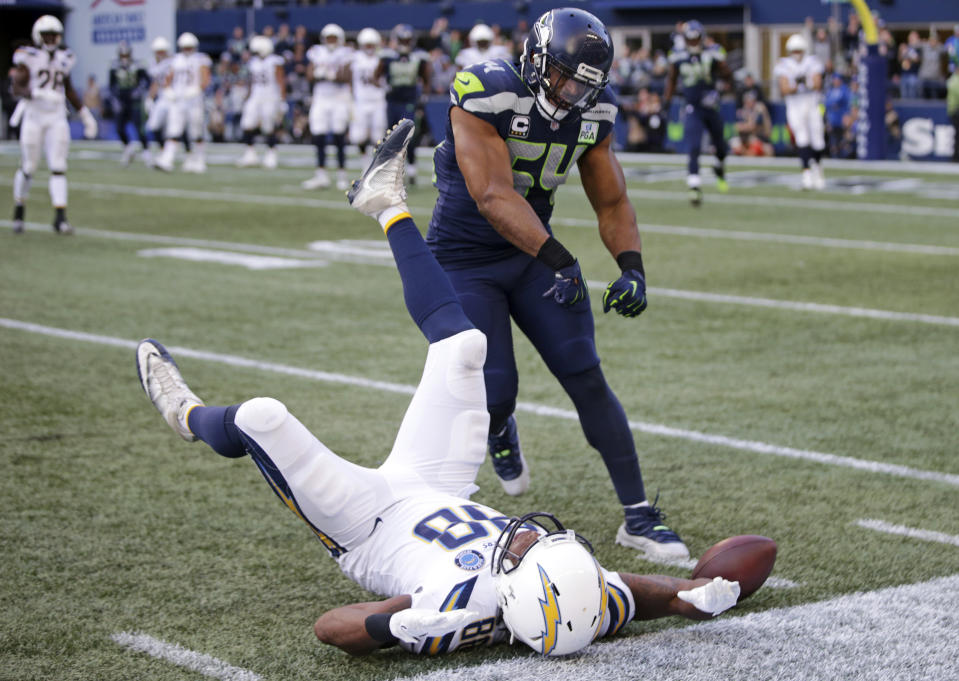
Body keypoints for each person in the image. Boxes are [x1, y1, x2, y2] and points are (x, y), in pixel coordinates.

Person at [135, 120, 743, 657]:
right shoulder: (580, 595)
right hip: (444, 484)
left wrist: (419, 626)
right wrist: (701, 594)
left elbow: (331, 627)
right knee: (465, 346)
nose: (535, 534)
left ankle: (186, 415)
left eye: (533, 549)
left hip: (365, 523)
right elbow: (659, 593)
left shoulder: (459, 610)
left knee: (261, 418)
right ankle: (384, 202)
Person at [426, 8, 688, 560]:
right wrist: (561, 258)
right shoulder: (485, 90)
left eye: (584, 84)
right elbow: (493, 195)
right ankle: (500, 427)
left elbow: (611, 198)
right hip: (464, 258)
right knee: (495, 390)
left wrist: (632, 266)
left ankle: (639, 516)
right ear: (537, 59)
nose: (570, 93)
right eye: (563, 77)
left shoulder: (594, 111)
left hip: (533, 253)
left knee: (584, 371)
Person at [10, 15, 98, 235]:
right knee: (28, 167)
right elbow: (16, 88)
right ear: (38, 36)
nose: (50, 39)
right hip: (34, 116)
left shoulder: (64, 58)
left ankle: (60, 218)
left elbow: (68, 88)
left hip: (57, 117)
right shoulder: (28, 56)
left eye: (54, 35)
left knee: (58, 166)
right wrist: (36, 93)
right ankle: (19, 210)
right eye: (46, 35)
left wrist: (85, 114)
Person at [663, 20, 732, 207]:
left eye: (696, 39)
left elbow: (727, 75)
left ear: (702, 38)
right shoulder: (677, 56)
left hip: (711, 105)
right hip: (692, 105)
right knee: (693, 146)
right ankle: (694, 186)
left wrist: (721, 79)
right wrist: (666, 103)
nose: (693, 43)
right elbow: (671, 79)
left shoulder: (713, 52)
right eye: (690, 39)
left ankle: (718, 166)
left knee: (721, 146)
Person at [374, 24, 430, 185]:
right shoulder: (388, 56)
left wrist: (424, 95)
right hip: (392, 100)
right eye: (402, 39)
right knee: (392, 136)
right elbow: (376, 76)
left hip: (409, 100)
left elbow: (426, 78)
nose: (405, 42)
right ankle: (392, 170)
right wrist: (383, 86)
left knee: (409, 134)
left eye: (407, 39)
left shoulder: (418, 56)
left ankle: (411, 167)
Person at [302, 24, 353, 191]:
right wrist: (318, 74)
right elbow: (309, 74)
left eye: (334, 38)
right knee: (318, 135)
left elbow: (346, 75)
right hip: (321, 98)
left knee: (339, 136)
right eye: (328, 38)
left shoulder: (345, 52)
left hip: (339, 99)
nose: (331, 41)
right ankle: (321, 174)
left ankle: (341, 175)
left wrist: (329, 75)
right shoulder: (317, 51)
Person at [774, 33, 825, 190]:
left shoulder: (812, 62)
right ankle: (807, 174)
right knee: (802, 139)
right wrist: (797, 85)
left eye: (799, 50)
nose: (797, 54)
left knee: (818, 139)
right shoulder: (784, 65)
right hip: (795, 105)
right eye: (794, 50)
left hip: (811, 103)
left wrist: (803, 84)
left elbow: (817, 83)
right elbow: (784, 89)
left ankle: (817, 169)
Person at [155, 32, 211, 173]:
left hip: (195, 101)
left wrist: (197, 89)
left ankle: (199, 160)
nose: (187, 50)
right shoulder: (176, 60)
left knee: (196, 131)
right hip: (178, 101)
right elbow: (167, 78)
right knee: (173, 130)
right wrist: (168, 90)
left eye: (189, 47)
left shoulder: (200, 59)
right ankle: (167, 159)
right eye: (185, 47)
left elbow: (205, 79)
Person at [235, 35, 286, 170]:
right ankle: (250, 154)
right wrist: (247, 96)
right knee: (247, 123)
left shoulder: (275, 61)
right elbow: (252, 82)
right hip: (256, 97)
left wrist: (282, 100)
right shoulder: (254, 62)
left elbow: (281, 81)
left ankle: (271, 154)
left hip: (270, 96)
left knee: (268, 126)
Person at [346, 28, 387, 166]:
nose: (369, 48)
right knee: (358, 136)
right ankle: (365, 163)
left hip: (378, 100)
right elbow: (347, 75)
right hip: (361, 101)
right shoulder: (355, 58)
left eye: (371, 44)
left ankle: (376, 165)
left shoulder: (382, 57)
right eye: (367, 44)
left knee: (379, 136)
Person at [109, 41, 150, 166]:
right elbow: (112, 85)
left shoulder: (138, 65)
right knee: (119, 128)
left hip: (135, 101)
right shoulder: (114, 66)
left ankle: (146, 153)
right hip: (122, 100)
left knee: (139, 128)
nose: (124, 58)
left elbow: (146, 81)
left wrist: (139, 91)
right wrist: (115, 99)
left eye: (126, 55)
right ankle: (128, 150)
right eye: (122, 55)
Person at [144, 37, 173, 167]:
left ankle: (190, 155)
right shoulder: (153, 64)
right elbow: (155, 82)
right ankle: (162, 152)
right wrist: (150, 98)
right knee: (153, 126)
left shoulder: (173, 62)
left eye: (162, 51)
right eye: (158, 51)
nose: (160, 54)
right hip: (162, 98)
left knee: (174, 129)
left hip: (174, 98)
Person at [947, 68, 959, 162]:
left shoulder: (952, 79)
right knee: (957, 135)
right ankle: (955, 157)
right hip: (956, 110)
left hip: (953, 110)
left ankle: (955, 156)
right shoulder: (955, 80)